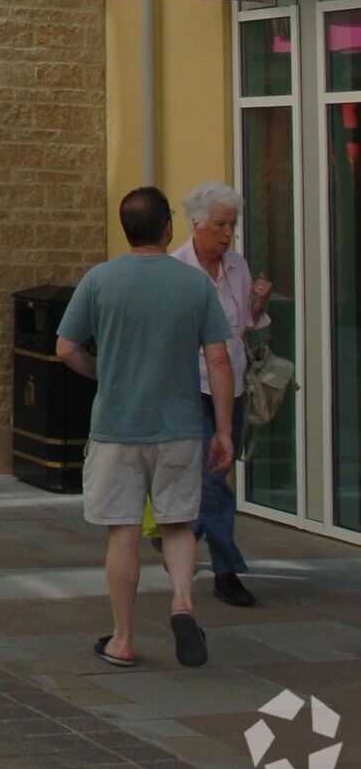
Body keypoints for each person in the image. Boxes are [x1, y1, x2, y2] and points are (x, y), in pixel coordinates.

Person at [57, 185, 234, 671]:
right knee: (178, 523)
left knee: (124, 534)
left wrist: (102, 373)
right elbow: (218, 359)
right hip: (178, 427)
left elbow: (66, 348)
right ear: (168, 229)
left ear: (125, 228)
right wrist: (223, 429)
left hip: (117, 427)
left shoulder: (99, 280)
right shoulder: (195, 284)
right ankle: (181, 603)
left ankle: (124, 638)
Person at [174, 182, 272, 608]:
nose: (228, 233)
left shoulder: (237, 266)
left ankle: (183, 533)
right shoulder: (177, 270)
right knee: (213, 480)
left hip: (228, 386)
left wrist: (257, 305)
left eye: (232, 224)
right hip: (190, 387)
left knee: (213, 477)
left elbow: (241, 330)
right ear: (197, 223)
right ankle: (226, 568)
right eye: (220, 224)